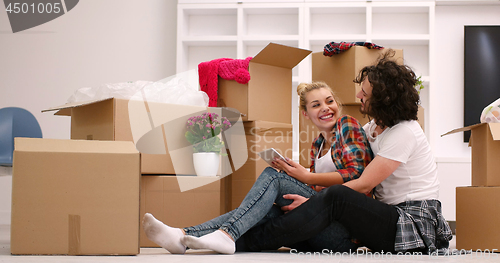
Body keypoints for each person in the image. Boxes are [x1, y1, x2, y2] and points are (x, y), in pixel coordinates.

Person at [235, 50, 453, 254]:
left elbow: (364, 183)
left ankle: (243, 241)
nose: (358, 94)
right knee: (279, 210)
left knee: (337, 195)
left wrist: (314, 201)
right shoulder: (372, 128)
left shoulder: (404, 132)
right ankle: (221, 233)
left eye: (365, 92)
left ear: (383, 100)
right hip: (384, 216)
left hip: (411, 222)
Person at [142, 81, 373, 254]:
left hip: (345, 234)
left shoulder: (347, 124)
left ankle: (224, 234)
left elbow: (357, 176)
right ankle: (182, 237)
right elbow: (320, 189)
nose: (325, 108)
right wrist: (303, 178)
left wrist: (306, 178)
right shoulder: (317, 144)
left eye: (329, 101)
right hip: (318, 228)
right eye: (316, 105)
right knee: (265, 211)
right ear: (306, 114)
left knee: (274, 176)